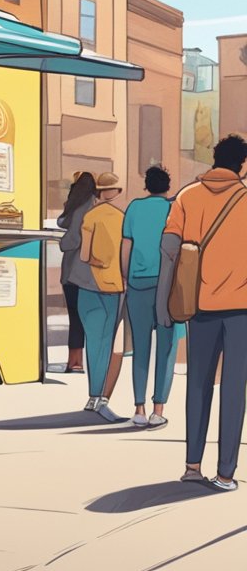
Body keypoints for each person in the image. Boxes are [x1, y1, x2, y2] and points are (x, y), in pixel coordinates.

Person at [159, 135, 247, 491]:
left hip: (199, 305)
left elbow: (169, 249)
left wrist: (163, 302)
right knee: (234, 388)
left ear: (215, 160)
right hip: (241, 309)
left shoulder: (186, 197)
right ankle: (225, 473)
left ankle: (192, 465)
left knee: (198, 383)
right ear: (241, 164)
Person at [122, 165, 179, 430]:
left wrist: (126, 276)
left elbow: (126, 247)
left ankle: (139, 408)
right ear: (167, 187)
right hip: (168, 286)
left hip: (138, 284)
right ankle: (159, 410)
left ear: (147, 185)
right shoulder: (174, 209)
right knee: (166, 348)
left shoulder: (133, 208)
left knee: (140, 347)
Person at [78, 172, 126, 422]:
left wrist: (98, 262)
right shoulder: (121, 218)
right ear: (113, 192)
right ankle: (99, 398)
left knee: (92, 343)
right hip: (113, 288)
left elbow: (85, 256)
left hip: (88, 288)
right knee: (106, 344)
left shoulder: (90, 217)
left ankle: (91, 396)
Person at [58, 172, 97, 373]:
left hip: (73, 273)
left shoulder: (80, 206)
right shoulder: (95, 205)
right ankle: (82, 362)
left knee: (75, 318)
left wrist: (61, 242)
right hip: (89, 274)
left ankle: (75, 362)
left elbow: (70, 237)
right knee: (86, 318)